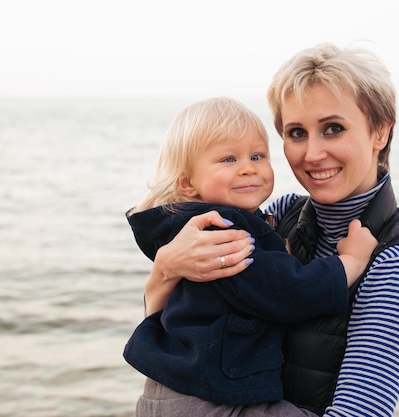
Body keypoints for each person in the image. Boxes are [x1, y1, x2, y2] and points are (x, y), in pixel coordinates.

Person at [142, 43, 399, 417]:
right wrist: (166, 266)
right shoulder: (280, 215)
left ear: (380, 131)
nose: (312, 154)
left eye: (333, 129)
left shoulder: (397, 262)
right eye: (297, 133)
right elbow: (182, 326)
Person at [124, 96, 378, 416]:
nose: (247, 168)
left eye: (257, 155)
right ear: (188, 183)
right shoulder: (224, 230)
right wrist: (352, 261)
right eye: (229, 159)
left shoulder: (201, 225)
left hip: (179, 389)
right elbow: (288, 291)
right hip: (212, 400)